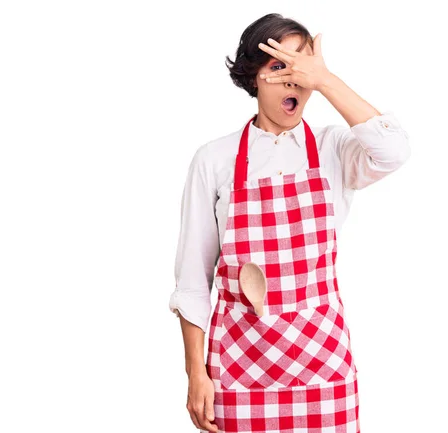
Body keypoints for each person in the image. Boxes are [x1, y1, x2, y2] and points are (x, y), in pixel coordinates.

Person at [169, 13, 411, 433]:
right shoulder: (215, 159)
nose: (296, 78)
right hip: (240, 367)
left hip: (323, 364)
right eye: (280, 66)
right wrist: (196, 371)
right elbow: (193, 279)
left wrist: (327, 79)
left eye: (304, 66)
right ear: (254, 77)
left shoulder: (335, 148)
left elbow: (393, 150)